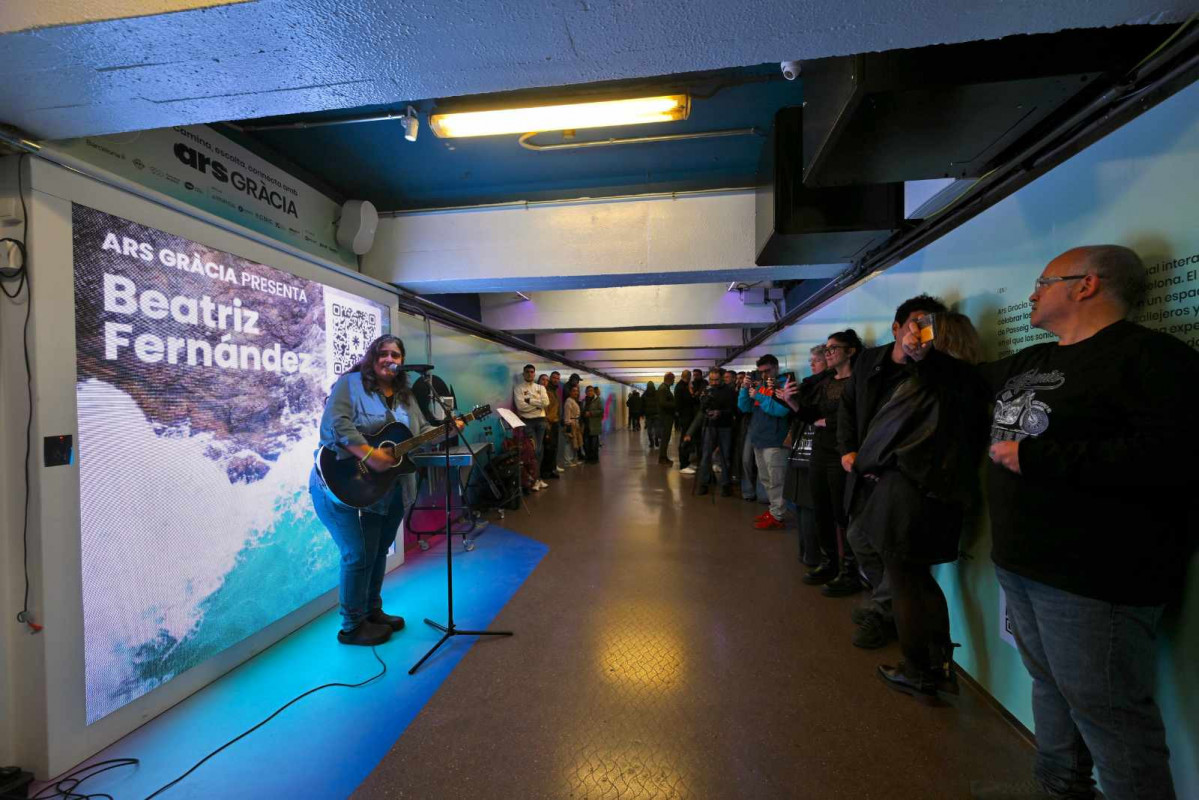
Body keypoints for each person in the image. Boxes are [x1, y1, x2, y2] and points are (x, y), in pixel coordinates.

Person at [919, 246, 1196, 800]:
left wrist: (1039, 458)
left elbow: (1171, 456)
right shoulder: (1034, 360)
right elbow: (965, 383)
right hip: (1023, 564)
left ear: (1086, 285)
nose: (1032, 294)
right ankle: (1059, 785)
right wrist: (921, 340)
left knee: (1111, 717)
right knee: (1049, 684)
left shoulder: (1152, 358)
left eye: (1044, 282)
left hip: (1096, 576)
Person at [850, 313, 990, 702]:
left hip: (905, 496)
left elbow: (881, 437)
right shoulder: (971, 386)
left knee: (905, 586)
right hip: (940, 497)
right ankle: (938, 668)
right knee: (921, 583)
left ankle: (917, 672)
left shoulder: (923, 387)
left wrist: (864, 465)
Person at [309, 335, 463, 646]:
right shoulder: (350, 384)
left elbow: (418, 435)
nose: (389, 358)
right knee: (357, 554)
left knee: (378, 551)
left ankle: (371, 611)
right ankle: (351, 627)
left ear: (402, 361)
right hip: (342, 483)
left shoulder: (406, 396)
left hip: (386, 488)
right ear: (372, 357)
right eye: (383, 353)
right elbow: (336, 424)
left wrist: (447, 431)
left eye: (396, 354)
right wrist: (369, 454)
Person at [835, 294, 949, 650]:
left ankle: (885, 611)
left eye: (928, 325)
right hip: (862, 468)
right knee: (858, 538)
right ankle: (890, 603)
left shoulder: (934, 369)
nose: (920, 332)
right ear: (896, 327)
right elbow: (848, 409)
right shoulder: (870, 361)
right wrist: (848, 449)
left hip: (899, 476)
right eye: (915, 323)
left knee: (896, 551)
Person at [782, 332, 861, 587]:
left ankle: (850, 570)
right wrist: (792, 402)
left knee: (842, 512)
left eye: (833, 348)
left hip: (843, 451)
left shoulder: (858, 382)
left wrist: (828, 421)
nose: (828, 353)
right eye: (826, 349)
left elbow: (861, 416)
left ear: (851, 351)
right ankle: (829, 563)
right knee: (821, 509)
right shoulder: (826, 382)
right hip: (821, 449)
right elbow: (811, 415)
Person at [783, 345, 828, 566]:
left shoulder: (827, 388)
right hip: (802, 450)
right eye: (811, 360)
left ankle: (814, 557)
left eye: (816, 360)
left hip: (814, 451)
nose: (811, 364)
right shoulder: (810, 387)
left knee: (810, 506)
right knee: (802, 506)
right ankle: (807, 553)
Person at [737, 354, 794, 529]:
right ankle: (774, 510)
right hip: (759, 439)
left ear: (776, 367)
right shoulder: (760, 386)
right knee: (766, 479)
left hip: (775, 440)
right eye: (761, 372)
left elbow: (781, 410)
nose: (764, 375)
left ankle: (778, 516)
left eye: (768, 370)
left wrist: (760, 397)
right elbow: (744, 407)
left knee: (777, 480)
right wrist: (744, 390)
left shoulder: (784, 384)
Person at [684, 367, 737, 496]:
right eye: (711, 380)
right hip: (709, 426)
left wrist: (720, 413)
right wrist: (705, 406)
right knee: (706, 456)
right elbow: (701, 411)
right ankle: (704, 483)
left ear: (722, 378)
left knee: (725, 457)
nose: (713, 382)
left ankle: (725, 484)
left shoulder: (730, 391)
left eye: (716, 380)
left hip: (725, 426)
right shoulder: (707, 390)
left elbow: (733, 410)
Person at [514, 364, 550, 491]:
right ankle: (533, 479)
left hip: (541, 421)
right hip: (528, 422)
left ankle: (538, 479)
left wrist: (530, 401)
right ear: (524, 374)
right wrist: (537, 405)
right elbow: (520, 407)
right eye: (527, 372)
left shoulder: (540, 387)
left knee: (539, 450)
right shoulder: (519, 388)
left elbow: (546, 403)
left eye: (532, 372)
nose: (530, 374)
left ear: (535, 374)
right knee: (533, 450)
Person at [540, 373, 562, 482]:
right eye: (554, 378)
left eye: (558, 378)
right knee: (548, 448)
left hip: (555, 422)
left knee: (553, 447)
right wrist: (549, 420)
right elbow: (546, 408)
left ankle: (552, 469)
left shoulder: (554, 391)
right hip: (549, 422)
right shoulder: (546, 391)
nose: (556, 380)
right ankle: (546, 471)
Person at [675, 370, 697, 474]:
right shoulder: (682, 388)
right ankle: (683, 465)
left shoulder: (682, 386)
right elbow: (687, 401)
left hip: (686, 416)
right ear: (689, 377)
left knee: (687, 439)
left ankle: (686, 462)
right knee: (685, 439)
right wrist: (692, 394)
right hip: (686, 417)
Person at [657, 372, 677, 465]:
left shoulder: (664, 388)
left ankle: (664, 457)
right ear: (670, 379)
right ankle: (662, 458)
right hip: (665, 417)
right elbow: (662, 403)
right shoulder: (663, 388)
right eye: (673, 379)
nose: (674, 381)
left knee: (666, 438)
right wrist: (675, 404)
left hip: (667, 417)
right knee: (665, 438)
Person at [582, 385, 604, 463]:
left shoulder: (598, 400)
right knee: (586, 443)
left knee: (594, 444)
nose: (590, 392)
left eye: (591, 390)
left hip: (594, 425)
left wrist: (591, 413)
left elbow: (601, 411)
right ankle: (588, 458)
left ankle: (594, 459)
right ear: (586, 392)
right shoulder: (583, 401)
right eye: (588, 391)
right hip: (586, 425)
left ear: (593, 392)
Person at [562, 384, 583, 467]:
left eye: (577, 391)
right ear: (570, 392)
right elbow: (567, 415)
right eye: (574, 391)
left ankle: (574, 459)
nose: (576, 392)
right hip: (571, 423)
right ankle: (567, 461)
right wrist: (568, 425)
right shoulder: (568, 401)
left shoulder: (574, 400)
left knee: (575, 442)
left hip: (575, 423)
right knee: (569, 442)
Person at [642, 380, 660, 447]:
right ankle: (656, 439)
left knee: (649, 430)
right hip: (657, 414)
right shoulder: (657, 393)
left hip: (648, 415)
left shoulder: (644, 394)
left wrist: (642, 413)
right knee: (657, 429)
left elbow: (642, 404)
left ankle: (651, 442)